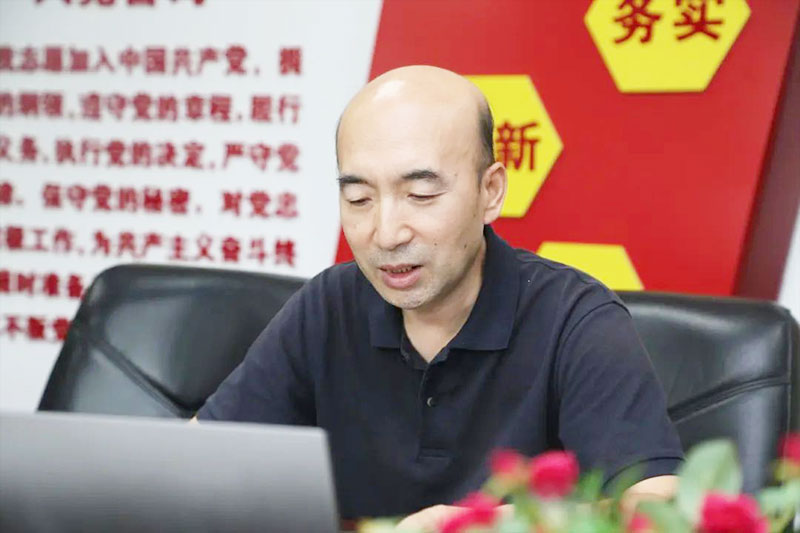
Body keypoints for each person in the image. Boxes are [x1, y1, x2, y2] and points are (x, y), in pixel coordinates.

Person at [195, 65, 683, 529]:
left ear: (491, 191)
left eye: (421, 195)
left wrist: (478, 526)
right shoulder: (328, 306)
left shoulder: (574, 318)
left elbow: (657, 508)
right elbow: (194, 462)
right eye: (359, 199)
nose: (386, 233)